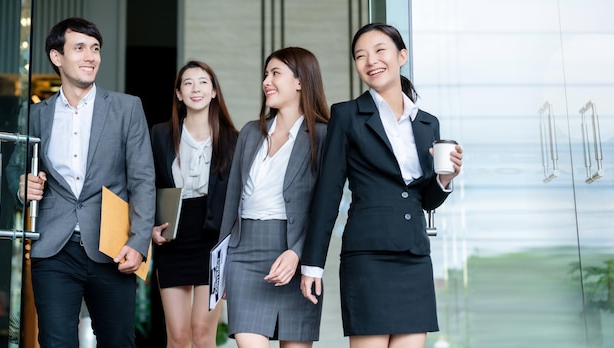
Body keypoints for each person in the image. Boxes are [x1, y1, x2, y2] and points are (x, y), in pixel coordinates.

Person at [300, 23, 464, 348]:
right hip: (368, 257)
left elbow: (424, 199)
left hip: (414, 255)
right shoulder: (347, 115)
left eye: (379, 51)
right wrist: (312, 265)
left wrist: (444, 179)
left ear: (401, 55)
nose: (370, 61)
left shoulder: (428, 123)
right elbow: (328, 193)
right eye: (360, 56)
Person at [6, 17, 155, 347]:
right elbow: (15, 171)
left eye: (95, 49)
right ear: (57, 57)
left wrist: (139, 240)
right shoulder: (34, 115)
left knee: (118, 341)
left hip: (113, 247)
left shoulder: (127, 108)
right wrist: (21, 186)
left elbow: (143, 179)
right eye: (80, 48)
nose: (91, 57)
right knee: (56, 342)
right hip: (54, 248)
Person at [219, 47, 330, 348]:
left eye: (275, 73)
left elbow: (325, 207)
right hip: (243, 255)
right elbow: (232, 201)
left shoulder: (323, 136)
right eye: (266, 75)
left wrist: (298, 252)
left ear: (300, 81)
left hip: (295, 254)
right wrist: (222, 262)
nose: (266, 81)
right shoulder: (251, 133)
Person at [150, 60, 238, 348]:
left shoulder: (232, 140)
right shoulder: (160, 135)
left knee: (202, 333)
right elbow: (145, 185)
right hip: (172, 236)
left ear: (214, 91)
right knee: (177, 336)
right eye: (187, 83)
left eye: (203, 82)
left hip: (212, 240)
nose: (195, 88)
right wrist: (150, 225)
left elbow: (239, 199)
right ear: (178, 94)